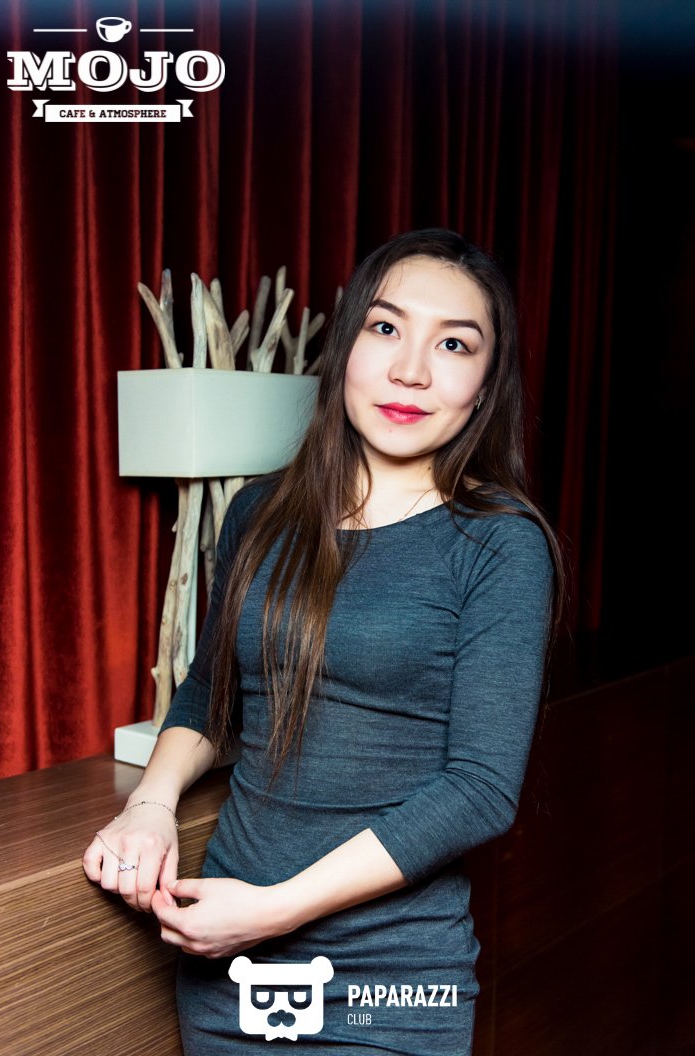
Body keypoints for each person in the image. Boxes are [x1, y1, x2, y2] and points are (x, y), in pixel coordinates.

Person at [83, 228, 563, 1055]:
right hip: (226, 969)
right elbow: (210, 694)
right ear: (346, 347)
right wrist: (150, 807)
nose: (410, 370)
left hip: (392, 979)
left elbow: (481, 788)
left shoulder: (499, 543)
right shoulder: (259, 513)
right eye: (386, 328)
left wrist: (274, 911)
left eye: (453, 344)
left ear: (485, 385)